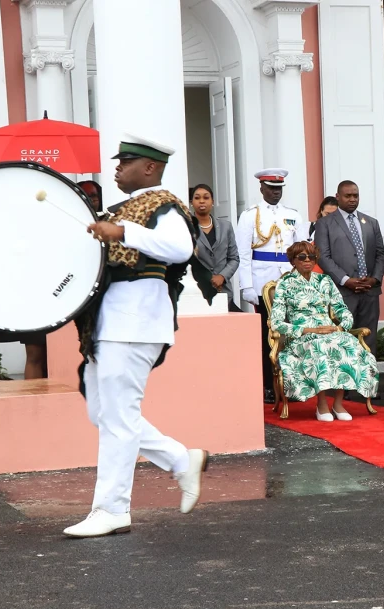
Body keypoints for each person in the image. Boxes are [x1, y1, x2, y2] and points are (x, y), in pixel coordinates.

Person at [64, 133, 207, 538]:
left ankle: (112, 509)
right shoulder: (122, 209)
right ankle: (181, 460)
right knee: (103, 412)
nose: (117, 168)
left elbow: (180, 248)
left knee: (118, 417)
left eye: (125, 162)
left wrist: (123, 232)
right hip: (108, 324)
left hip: (135, 321)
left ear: (149, 168)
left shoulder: (165, 205)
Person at [269, 241, 378, 421]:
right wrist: (309, 330)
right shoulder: (285, 284)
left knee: (346, 343)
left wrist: (338, 327)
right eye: (302, 257)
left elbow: (343, 311)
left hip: (330, 331)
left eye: (311, 257)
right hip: (301, 335)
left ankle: (338, 403)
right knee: (320, 346)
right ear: (293, 260)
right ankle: (322, 404)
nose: (307, 260)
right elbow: (276, 323)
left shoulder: (324, 281)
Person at [235, 168, 309, 404]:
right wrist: (247, 286)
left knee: (293, 333)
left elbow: (302, 251)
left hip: (288, 280)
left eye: (279, 189)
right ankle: (269, 385)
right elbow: (243, 254)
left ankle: (292, 384)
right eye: (271, 188)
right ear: (262, 188)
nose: (276, 192)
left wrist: (302, 281)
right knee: (268, 334)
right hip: (261, 282)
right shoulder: (250, 216)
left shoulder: (293, 215)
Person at [314, 180, 384, 356]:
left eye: (355, 196)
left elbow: (380, 254)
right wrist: (346, 280)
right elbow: (323, 257)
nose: (352, 199)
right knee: (342, 340)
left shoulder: (371, 222)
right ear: (338, 197)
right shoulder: (325, 224)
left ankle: (368, 373)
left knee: (368, 338)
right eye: (348, 196)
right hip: (342, 292)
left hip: (369, 291)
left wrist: (374, 279)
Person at [188, 183, 240, 312]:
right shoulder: (187, 227)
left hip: (224, 292)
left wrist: (222, 276)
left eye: (206, 197)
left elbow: (234, 258)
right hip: (198, 292)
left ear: (213, 202)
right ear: (191, 202)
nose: (202, 201)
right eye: (197, 198)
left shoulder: (225, 226)